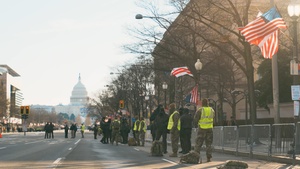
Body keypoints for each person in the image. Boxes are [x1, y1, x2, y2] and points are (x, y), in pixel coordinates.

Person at [194, 98, 215, 162]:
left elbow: (196, 119)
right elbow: (213, 118)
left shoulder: (200, 110)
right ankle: (208, 158)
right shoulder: (212, 110)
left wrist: (196, 125)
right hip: (209, 129)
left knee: (198, 144)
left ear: (202, 103)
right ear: (208, 103)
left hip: (202, 128)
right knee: (209, 144)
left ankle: (196, 158)